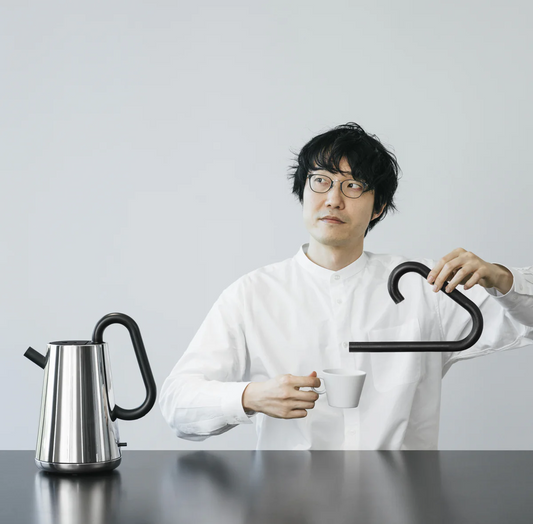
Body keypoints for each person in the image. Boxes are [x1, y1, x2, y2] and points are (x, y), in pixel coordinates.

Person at [159, 122, 533, 450]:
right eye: (321, 181)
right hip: (288, 501)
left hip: (403, 499)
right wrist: (249, 396)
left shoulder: (424, 286)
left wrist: (502, 278)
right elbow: (177, 405)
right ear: (303, 191)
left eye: (353, 185)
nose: (333, 199)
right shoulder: (252, 295)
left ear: (378, 207)